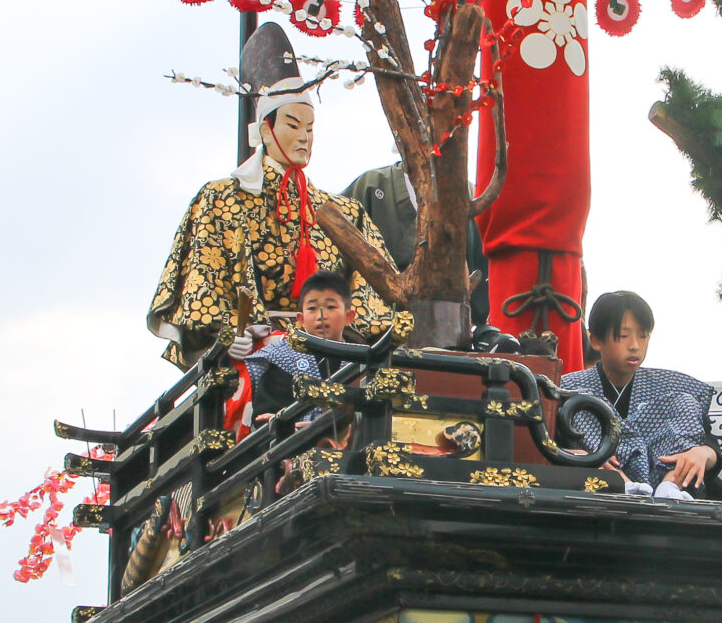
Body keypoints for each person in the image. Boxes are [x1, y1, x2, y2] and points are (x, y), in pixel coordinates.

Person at [149, 87, 399, 365]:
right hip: (256, 355)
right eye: (293, 125)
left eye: (310, 128)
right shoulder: (222, 197)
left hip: (334, 355)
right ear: (265, 131)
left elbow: (378, 295)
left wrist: (342, 331)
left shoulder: (347, 212)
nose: (304, 137)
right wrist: (229, 337)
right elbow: (205, 285)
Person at [563, 291, 721, 496]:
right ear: (595, 340)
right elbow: (544, 446)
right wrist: (576, 456)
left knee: (684, 401)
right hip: (600, 487)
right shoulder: (567, 386)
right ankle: (625, 485)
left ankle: (670, 486)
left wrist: (702, 453)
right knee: (580, 403)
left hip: (668, 485)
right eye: (623, 336)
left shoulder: (673, 386)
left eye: (643, 335)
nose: (635, 346)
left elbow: (707, 443)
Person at [341, 160, 491, 327]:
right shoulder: (371, 185)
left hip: (450, 330)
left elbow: (484, 279)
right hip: (375, 331)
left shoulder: (470, 195)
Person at [235, 272, 365, 420]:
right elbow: (265, 417)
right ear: (300, 319)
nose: (321, 315)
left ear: (349, 317)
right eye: (312, 308)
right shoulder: (281, 358)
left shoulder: (360, 361)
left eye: (331, 306)